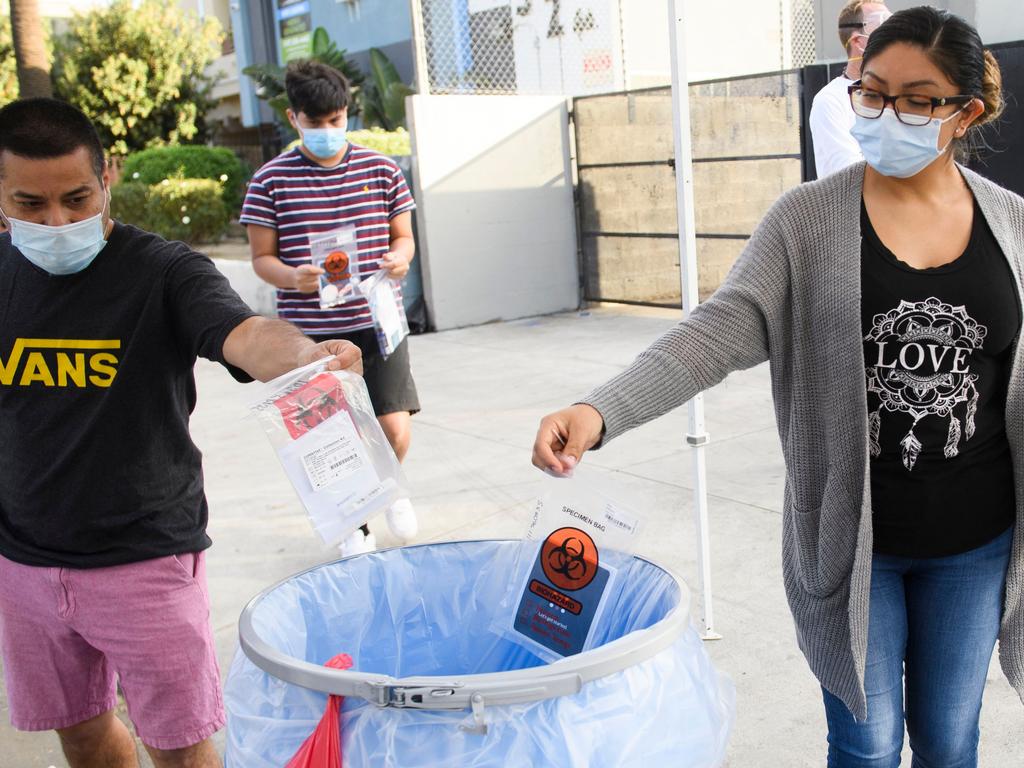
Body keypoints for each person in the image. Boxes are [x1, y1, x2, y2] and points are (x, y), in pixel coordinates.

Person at [534, 7, 1022, 765]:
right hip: (853, 538)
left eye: (918, 100)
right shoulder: (808, 220)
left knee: (951, 741)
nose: (889, 114)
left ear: (967, 113)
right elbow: (716, 332)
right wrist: (601, 410)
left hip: (977, 541)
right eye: (873, 93)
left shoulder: (1012, 227)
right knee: (865, 744)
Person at [0, 98, 362, 768]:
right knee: (78, 731)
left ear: (107, 175)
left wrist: (310, 356)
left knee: (181, 747)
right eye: (30, 205)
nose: (57, 223)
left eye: (78, 198)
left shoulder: (162, 271)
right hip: (22, 560)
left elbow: (245, 334)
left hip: (143, 559)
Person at [241, 60, 420, 557]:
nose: (327, 131)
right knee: (327, 436)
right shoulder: (270, 181)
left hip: (378, 323)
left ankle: (387, 487)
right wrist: (291, 277)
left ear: (348, 114)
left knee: (392, 426)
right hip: (308, 334)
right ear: (292, 116)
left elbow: (404, 238)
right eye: (314, 122)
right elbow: (262, 258)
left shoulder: (381, 170)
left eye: (336, 120)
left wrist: (399, 259)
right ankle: (354, 520)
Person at [809, 1, 891, 178]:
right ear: (858, 42)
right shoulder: (830, 100)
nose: (894, 36)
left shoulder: (897, 95)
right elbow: (847, 176)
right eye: (884, 26)